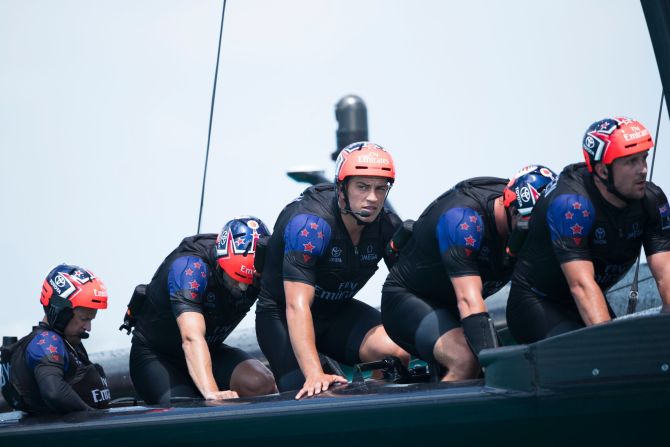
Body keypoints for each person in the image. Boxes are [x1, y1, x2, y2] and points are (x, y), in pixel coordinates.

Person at [255, 141, 409, 399]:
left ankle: (375, 409)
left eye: (380, 188)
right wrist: (314, 372)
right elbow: (296, 306)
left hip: (336, 312)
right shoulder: (310, 225)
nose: (372, 197)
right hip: (282, 316)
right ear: (342, 188)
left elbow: (413, 286)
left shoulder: (386, 226)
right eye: (362, 186)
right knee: (312, 392)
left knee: (397, 353)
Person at [381, 165, 557, 380]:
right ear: (512, 209)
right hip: (408, 301)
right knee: (467, 361)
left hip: (453, 307)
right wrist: (496, 369)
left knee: (513, 370)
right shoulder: (464, 220)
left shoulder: (528, 218)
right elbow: (468, 300)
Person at [507, 117, 670, 343]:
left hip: (588, 297)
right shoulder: (573, 205)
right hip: (537, 303)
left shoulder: (652, 199)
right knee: (610, 354)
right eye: (631, 161)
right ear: (603, 170)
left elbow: (666, 273)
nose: (642, 170)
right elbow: (581, 285)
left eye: (644, 158)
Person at [127, 216, 277, 405]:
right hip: (159, 357)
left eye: (249, 281)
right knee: (191, 409)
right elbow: (191, 338)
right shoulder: (190, 268)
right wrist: (212, 392)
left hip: (210, 350)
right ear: (220, 262)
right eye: (235, 279)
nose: (242, 288)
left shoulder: (264, 267)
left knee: (259, 383)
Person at [0, 264, 111, 414]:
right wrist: (95, 416)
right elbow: (53, 392)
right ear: (61, 312)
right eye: (84, 318)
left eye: (91, 319)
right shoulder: (46, 342)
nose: (88, 327)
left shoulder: (69, 342)